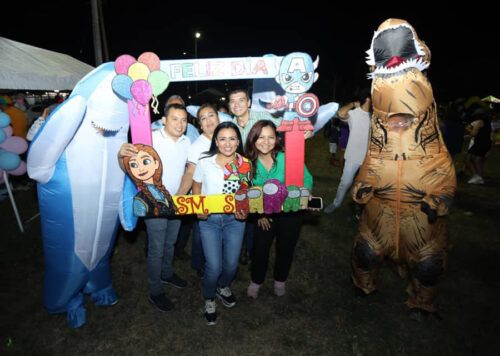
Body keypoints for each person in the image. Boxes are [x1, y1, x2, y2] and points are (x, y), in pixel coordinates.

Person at [118, 103, 190, 312]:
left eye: (184, 120)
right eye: (175, 119)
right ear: (164, 120)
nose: (180, 124)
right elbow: (128, 164)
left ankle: (166, 274)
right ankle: (155, 290)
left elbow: (188, 170)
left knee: (171, 243)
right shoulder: (150, 138)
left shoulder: (187, 142)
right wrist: (120, 154)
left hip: (177, 202)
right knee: (157, 248)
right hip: (154, 203)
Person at [244, 120, 313, 298]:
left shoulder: (286, 157)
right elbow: (247, 191)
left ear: (276, 139)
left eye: (270, 137)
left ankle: (280, 280)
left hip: (290, 213)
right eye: (261, 137)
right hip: (264, 215)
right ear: (253, 138)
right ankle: (256, 280)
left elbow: (306, 178)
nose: (265, 142)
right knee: (260, 249)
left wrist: (306, 193)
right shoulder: (247, 163)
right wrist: (259, 215)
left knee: (286, 248)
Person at [192, 121, 250, 325]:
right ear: (216, 141)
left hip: (235, 221)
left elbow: (245, 193)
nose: (227, 143)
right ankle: (209, 298)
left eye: (232, 138)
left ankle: (223, 286)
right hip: (209, 221)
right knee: (214, 266)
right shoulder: (205, 161)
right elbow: (196, 184)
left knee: (231, 265)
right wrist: (198, 206)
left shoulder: (245, 164)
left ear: (238, 141)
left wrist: (244, 211)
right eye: (222, 139)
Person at [176, 103, 222, 277]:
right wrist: (180, 196)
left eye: (211, 115)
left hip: (227, 201)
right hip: (204, 201)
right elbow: (190, 172)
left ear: (218, 117)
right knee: (200, 236)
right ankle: (198, 265)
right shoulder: (197, 146)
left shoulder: (229, 138)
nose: (209, 121)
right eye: (203, 118)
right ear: (200, 125)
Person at [324, 89, 371, 213]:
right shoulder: (355, 113)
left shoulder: (374, 116)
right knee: (345, 183)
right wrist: (352, 104)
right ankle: (336, 203)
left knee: (367, 186)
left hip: (370, 159)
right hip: (353, 156)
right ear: (368, 99)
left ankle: (362, 209)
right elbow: (340, 113)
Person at [466, 110, 492, 184]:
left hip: (480, 143)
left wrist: (469, 132)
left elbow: (474, 133)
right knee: (477, 160)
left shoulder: (478, 122)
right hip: (486, 143)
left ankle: (477, 176)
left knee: (468, 160)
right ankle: (479, 177)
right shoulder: (487, 123)